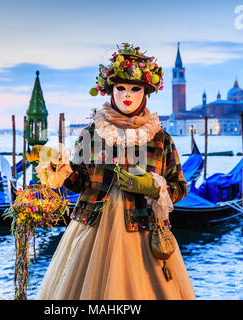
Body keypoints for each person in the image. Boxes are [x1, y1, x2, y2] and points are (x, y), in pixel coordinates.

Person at [29, 43, 196, 300]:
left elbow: (180, 188)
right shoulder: (91, 134)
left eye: (135, 88)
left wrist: (154, 188)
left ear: (145, 93)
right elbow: (80, 182)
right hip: (93, 232)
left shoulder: (161, 139)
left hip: (146, 232)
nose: (127, 95)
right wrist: (61, 168)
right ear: (110, 91)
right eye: (120, 88)